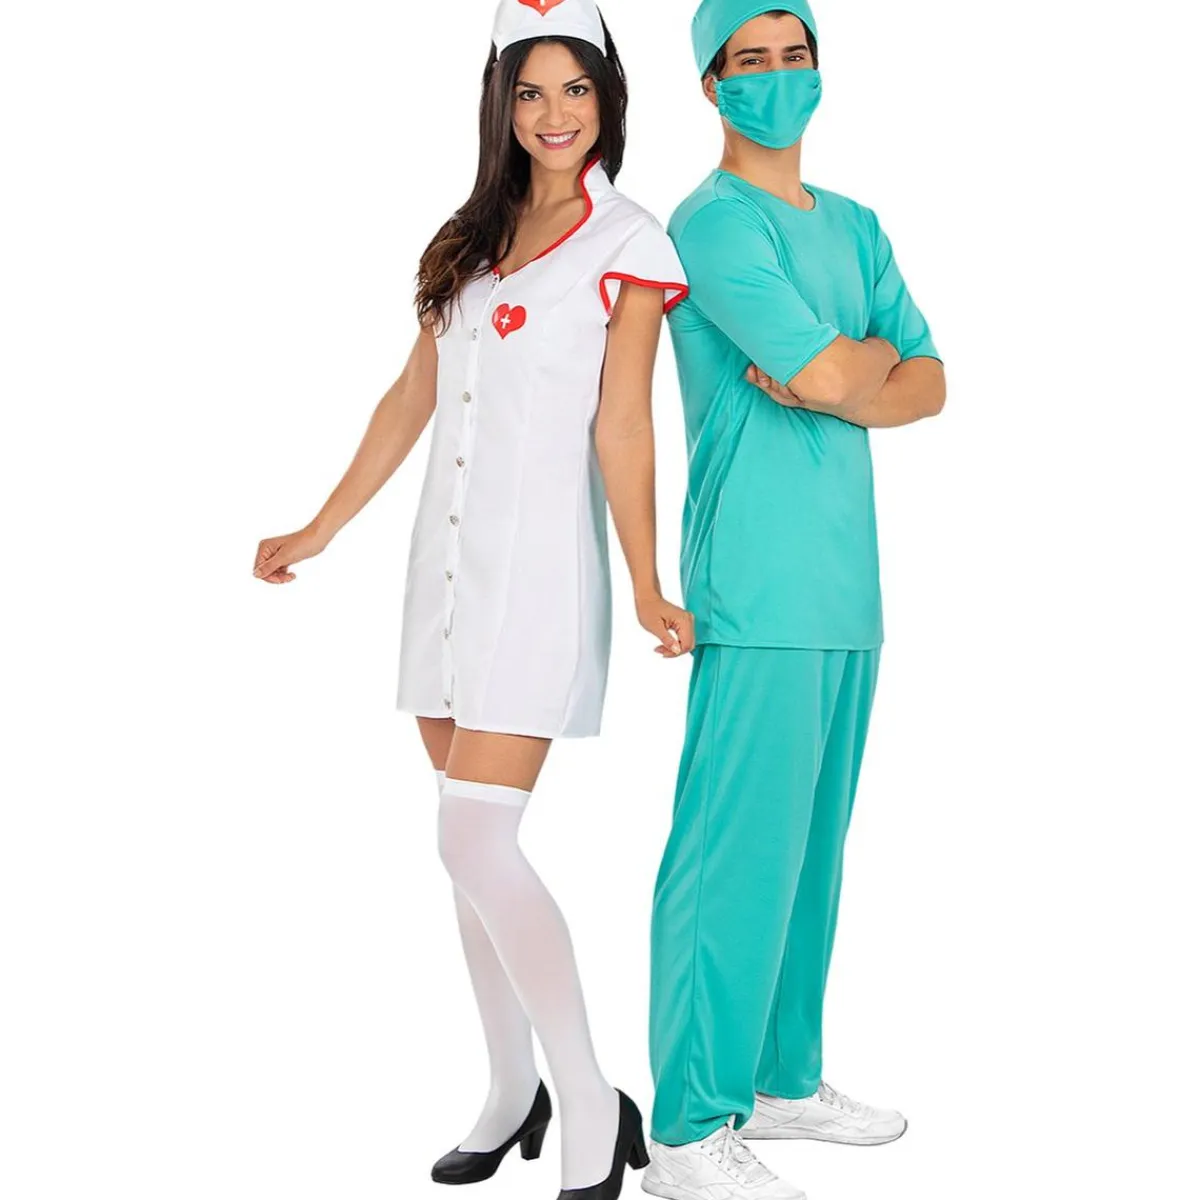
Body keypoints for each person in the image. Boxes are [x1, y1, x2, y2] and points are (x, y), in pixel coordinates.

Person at [253, 2, 693, 1196]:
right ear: (500, 103)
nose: (555, 114)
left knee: (474, 836)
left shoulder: (631, 243)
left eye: (577, 90)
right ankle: (511, 1089)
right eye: (531, 91)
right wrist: (321, 527)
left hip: (541, 582)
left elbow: (623, 425)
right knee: (467, 847)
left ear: (608, 101)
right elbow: (413, 396)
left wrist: (647, 580)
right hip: (443, 579)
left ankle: (591, 1097)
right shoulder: (469, 238)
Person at [642, 3, 946, 1198]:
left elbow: (930, 381)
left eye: (795, 56)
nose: (778, 78)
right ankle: (686, 1127)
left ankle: (779, 1081)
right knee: (733, 859)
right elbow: (836, 369)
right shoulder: (712, 224)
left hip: (846, 589)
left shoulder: (857, 225)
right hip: (758, 583)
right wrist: (855, 371)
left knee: (811, 856)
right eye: (751, 62)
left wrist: (848, 377)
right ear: (712, 85)